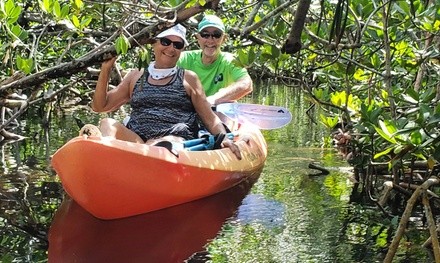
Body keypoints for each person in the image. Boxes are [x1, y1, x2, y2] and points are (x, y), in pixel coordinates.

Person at [85, 24, 242, 159]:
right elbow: (100, 107)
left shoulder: (189, 78)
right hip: (138, 140)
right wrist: (105, 68)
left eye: (177, 45)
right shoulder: (136, 75)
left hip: (172, 141)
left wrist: (224, 138)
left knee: (158, 144)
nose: (171, 48)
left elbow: (209, 119)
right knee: (108, 123)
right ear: (154, 43)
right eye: (166, 42)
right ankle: (105, 159)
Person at [177, 15, 253, 105]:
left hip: (217, 112)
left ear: (224, 39)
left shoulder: (230, 61)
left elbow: (247, 85)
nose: (210, 40)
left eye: (216, 35)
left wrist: (213, 99)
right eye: (205, 35)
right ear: (198, 38)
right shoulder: (184, 59)